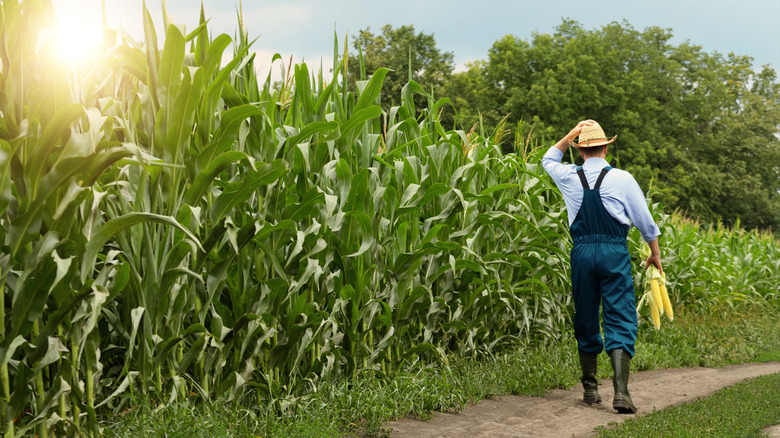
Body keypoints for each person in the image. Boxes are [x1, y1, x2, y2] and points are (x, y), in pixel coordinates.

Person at [541, 120, 662, 414]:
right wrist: (654, 252)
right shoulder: (622, 178)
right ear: (606, 148)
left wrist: (571, 134)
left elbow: (548, 159)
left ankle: (590, 388)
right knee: (619, 313)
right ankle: (621, 393)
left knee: (585, 313)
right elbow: (645, 222)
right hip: (614, 251)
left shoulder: (569, 175)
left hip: (582, 252)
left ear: (581, 152)